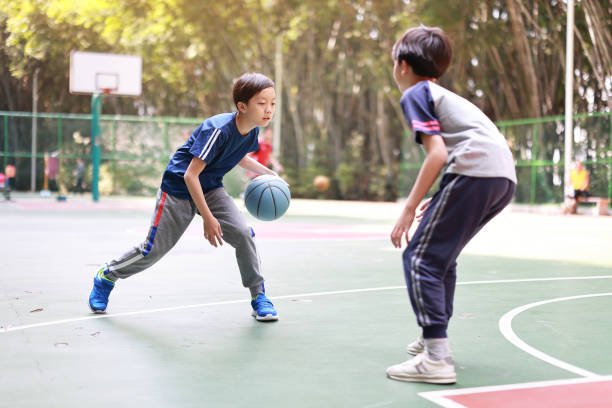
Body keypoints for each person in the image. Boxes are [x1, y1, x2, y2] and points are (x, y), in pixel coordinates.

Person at [88, 72, 284, 321]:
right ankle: (107, 275)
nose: (269, 110)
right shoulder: (218, 129)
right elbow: (191, 176)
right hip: (178, 190)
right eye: (262, 103)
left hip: (210, 187)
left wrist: (270, 174)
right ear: (242, 106)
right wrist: (208, 218)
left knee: (244, 235)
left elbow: (239, 156)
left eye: (273, 103)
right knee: (152, 251)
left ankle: (259, 296)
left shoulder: (252, 132)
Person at [385, 26, 517, 384]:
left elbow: (438, 153)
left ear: (401, 64)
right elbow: (462, 147)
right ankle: (433, 339)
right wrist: (443, 193)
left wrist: (409, 208)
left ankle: (437, 358)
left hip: (476, 172)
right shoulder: (441, 94)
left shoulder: (415, 93)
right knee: (441, 257)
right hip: (501, 176)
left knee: (420, 258)